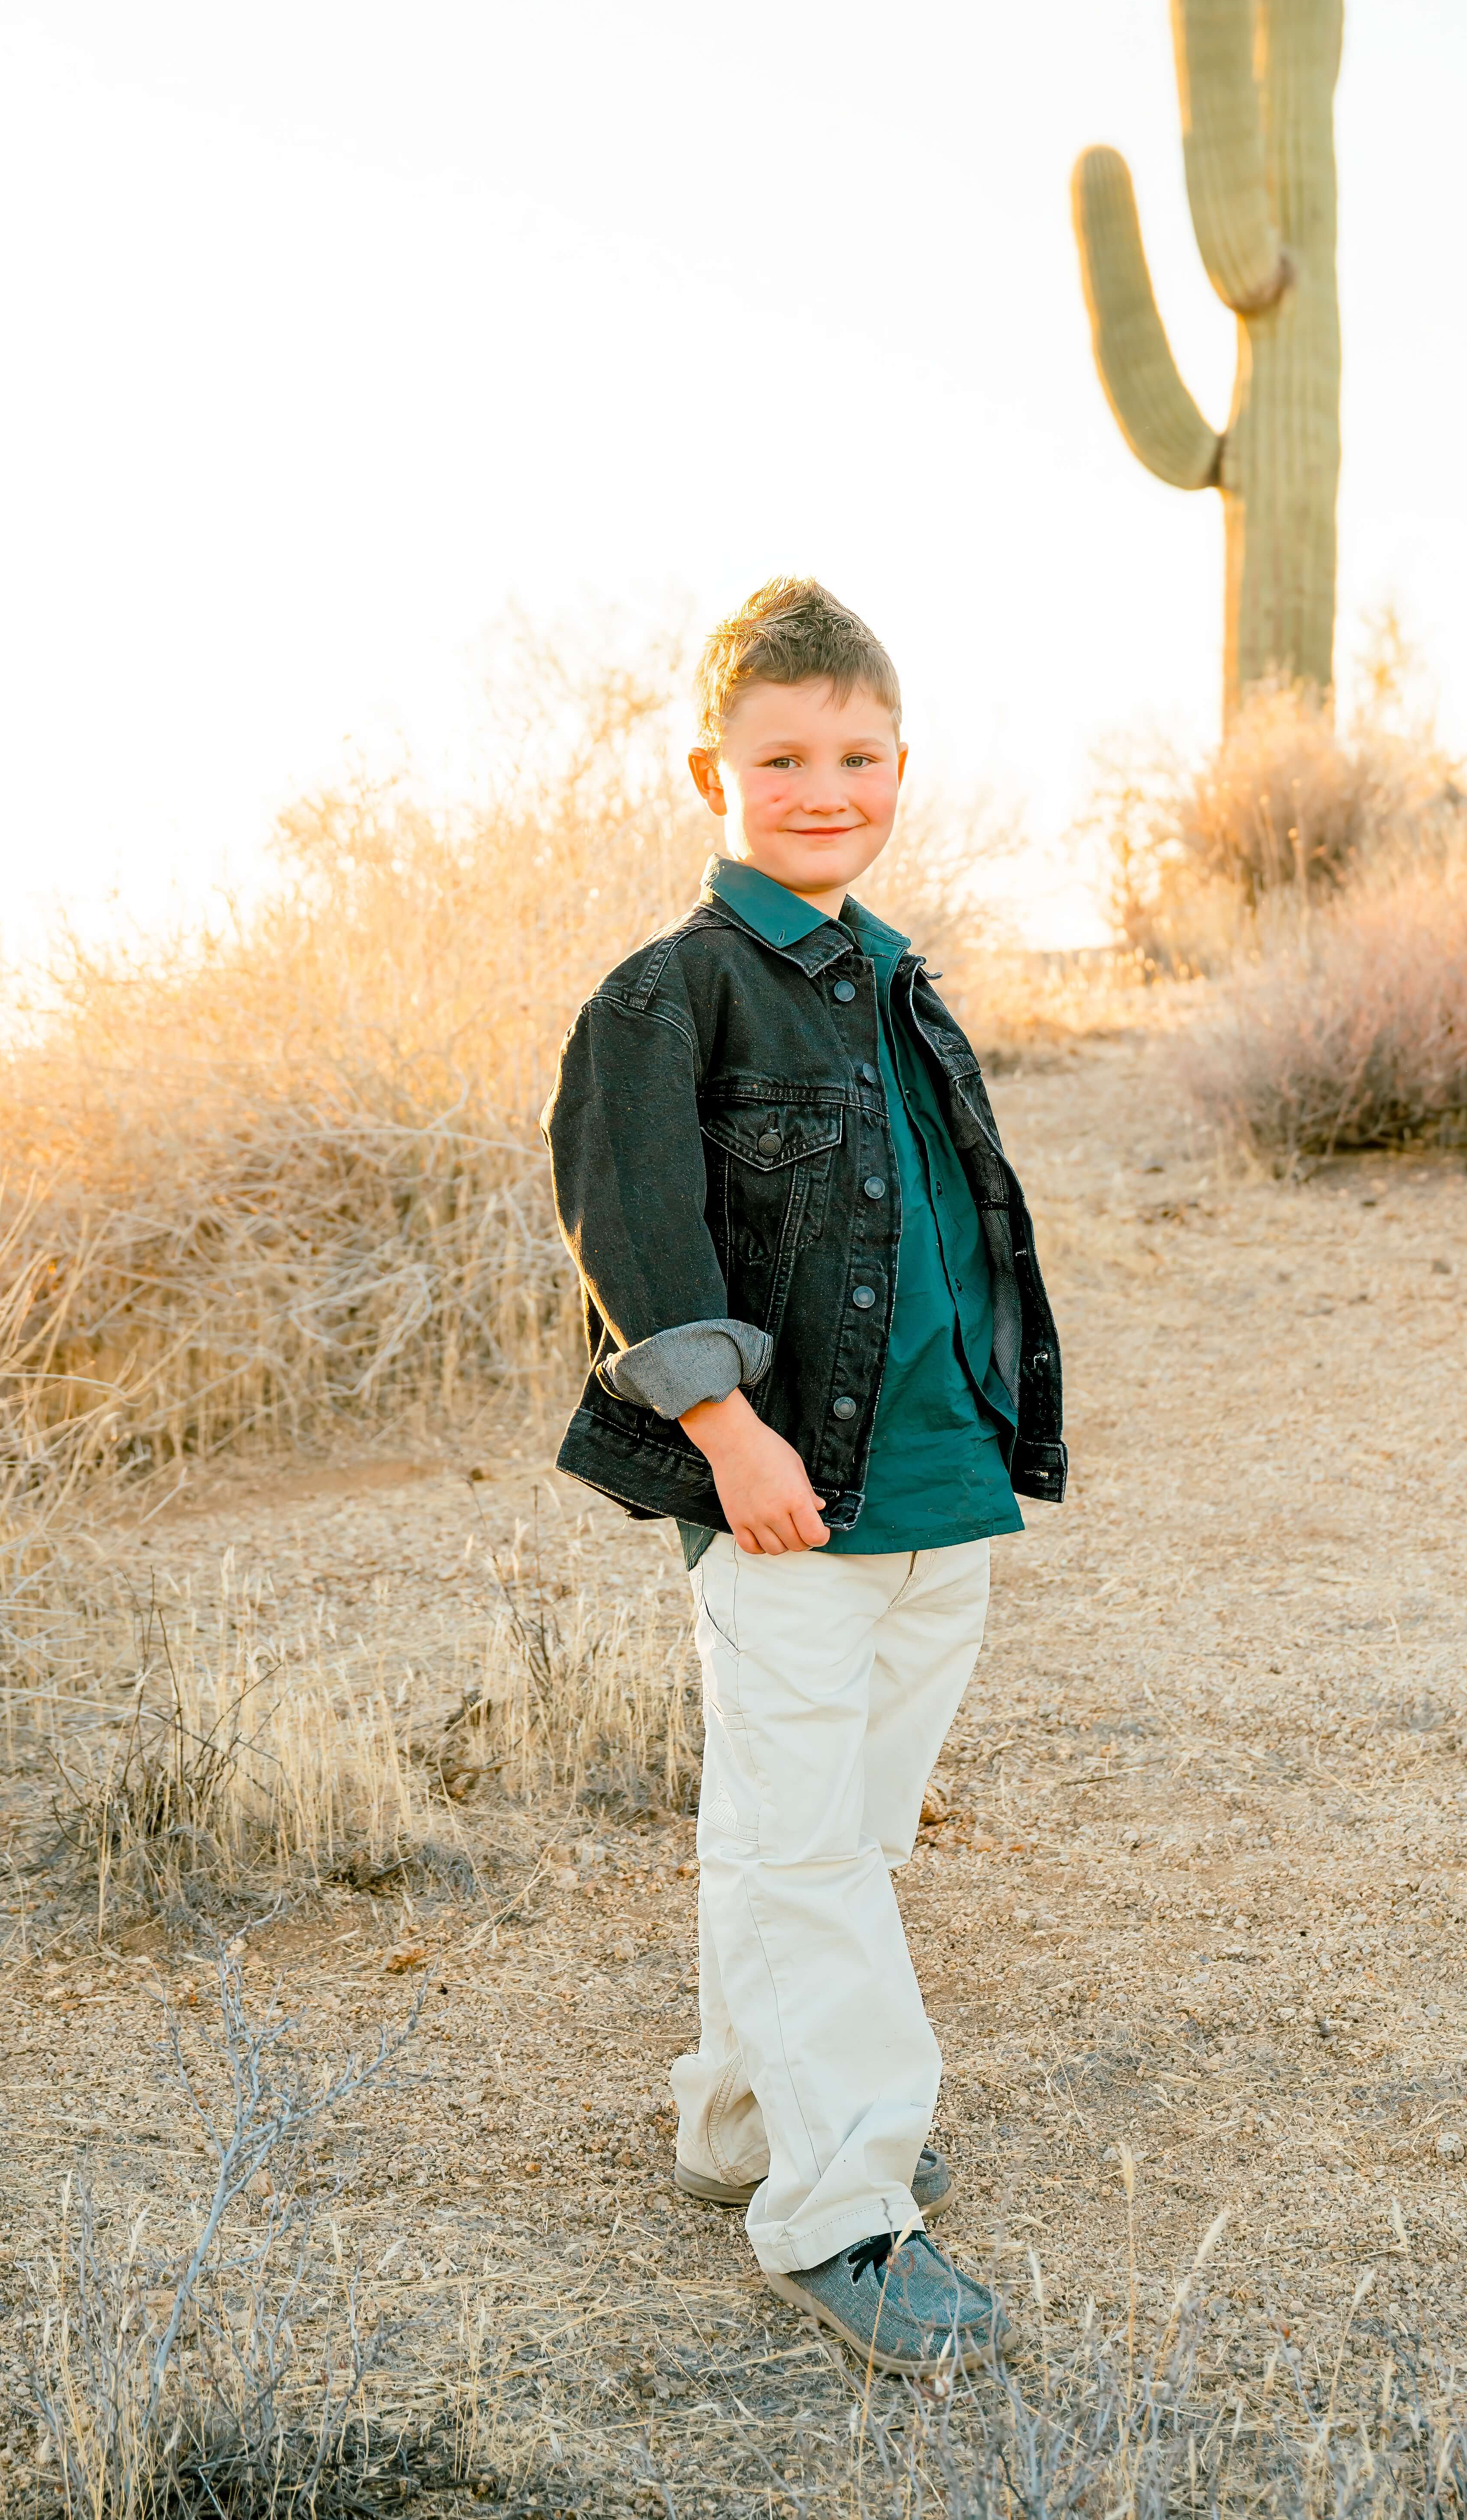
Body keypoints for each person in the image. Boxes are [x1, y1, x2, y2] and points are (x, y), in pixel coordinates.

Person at [542, 577, 1067, 2373]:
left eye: (854, 754)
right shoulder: (669, 995)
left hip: (936, 1490)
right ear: (714, 769)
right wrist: (726, 1431)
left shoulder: (897, 982)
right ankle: (839, 2211)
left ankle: (744, 2124)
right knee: (804, 1860)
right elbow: (633, 1227)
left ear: (898, 766)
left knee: (820, 1842)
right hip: (789, 1500)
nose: (821, 784)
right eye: (782, 756)